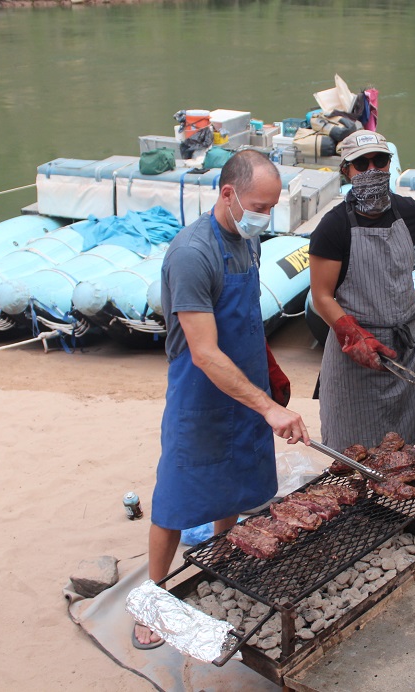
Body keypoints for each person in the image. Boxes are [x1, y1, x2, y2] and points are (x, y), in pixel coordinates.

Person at [134, 150, 310, 649]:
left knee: (235, 487)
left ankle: (219, 561)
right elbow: (206, 353)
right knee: (175, 499)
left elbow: (247, 321)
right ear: (228, 194)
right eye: (259, 205)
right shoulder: (193, 254)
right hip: (200, 396)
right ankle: (153, 598)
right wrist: (270, 408)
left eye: (272, 207)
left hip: (248, 387)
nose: (265, 216)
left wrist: (269, 375)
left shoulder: (247, 241)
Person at [309, 131, 415, 450]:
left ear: (389, 164)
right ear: (346, 171)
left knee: (408, 447)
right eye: (361, 164)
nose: (372, 170)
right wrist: (352, 333)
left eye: (380, 161)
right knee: (356, 452)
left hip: (407, 347)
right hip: (357, 355)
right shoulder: (333, 227)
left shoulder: (409, 212)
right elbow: (322, 296)